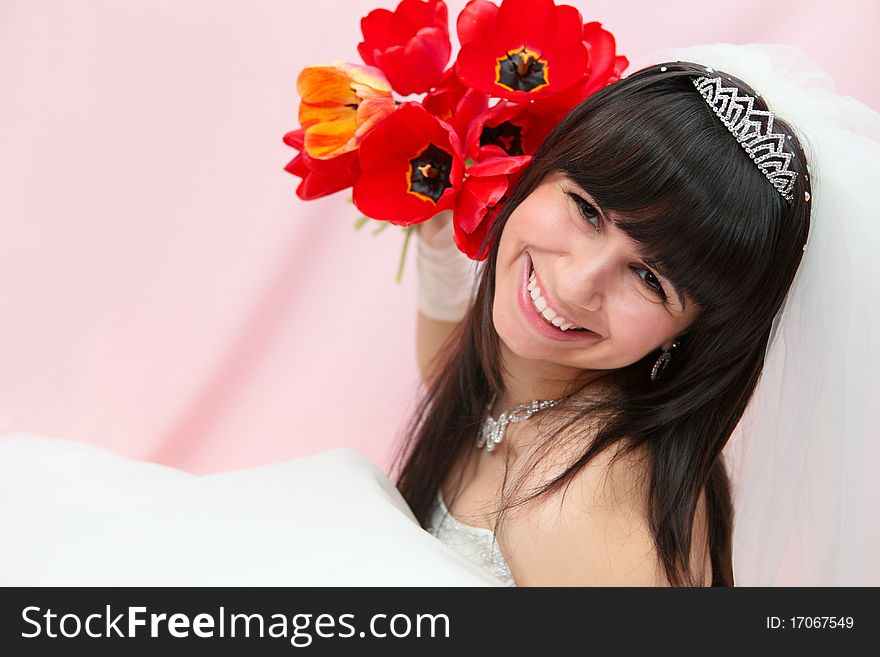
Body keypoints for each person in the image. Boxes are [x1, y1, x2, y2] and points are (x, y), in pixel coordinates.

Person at [394, 43, 877, 587]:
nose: (578, 286)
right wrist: (438, 239)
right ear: (539, 170)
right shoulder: (527, 392)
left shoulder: (585, 502)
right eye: (586, 210)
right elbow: (451, 375)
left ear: (689, 333)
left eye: (650, 279)